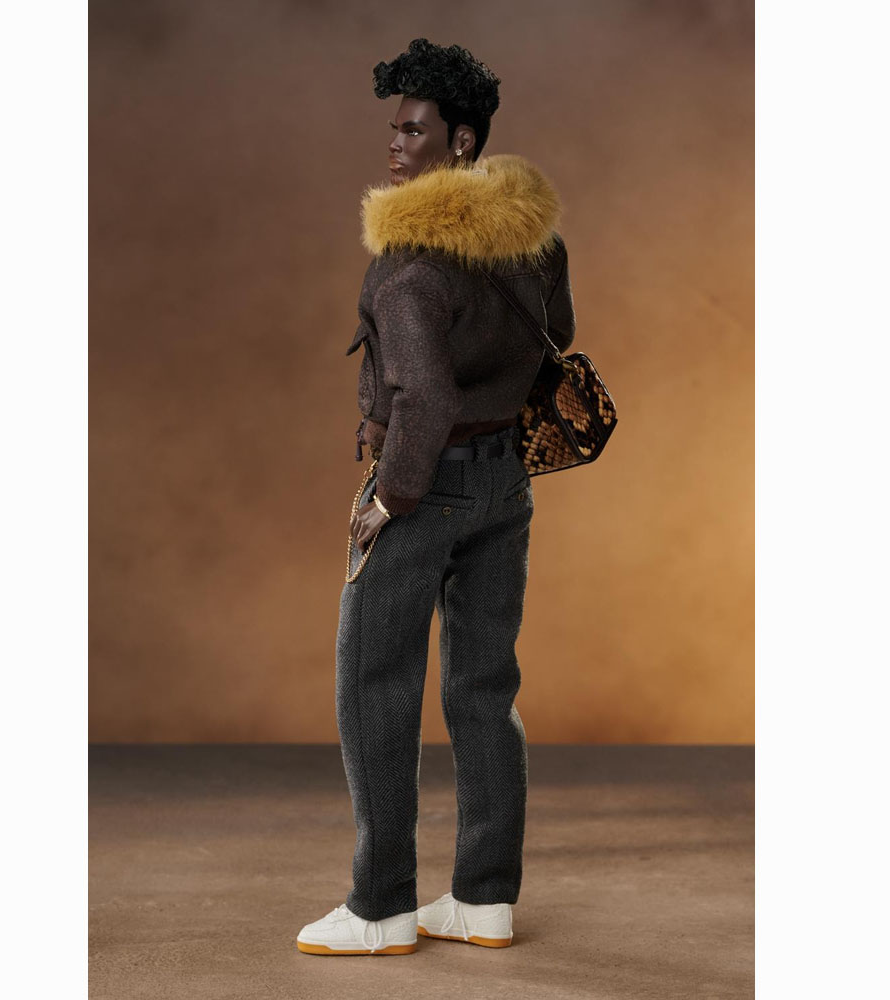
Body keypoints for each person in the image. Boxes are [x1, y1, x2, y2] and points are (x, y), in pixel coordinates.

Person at [296, 37, 576, 956]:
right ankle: (485, 900)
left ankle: (381, 908)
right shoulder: (535, 241)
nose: (395, 144)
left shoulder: (408, 262)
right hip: (507, 482)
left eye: (414, 130)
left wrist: (390, 497)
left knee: (375, 687)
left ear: (461, 139)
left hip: (426, 484)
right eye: (393, 127)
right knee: (484, 690)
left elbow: (422, 395)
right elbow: (558, 331)